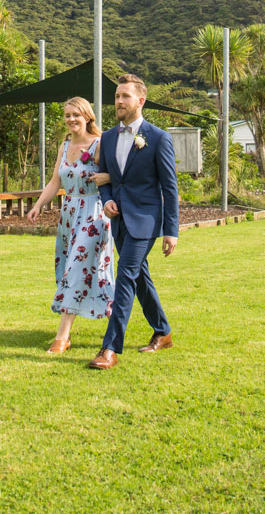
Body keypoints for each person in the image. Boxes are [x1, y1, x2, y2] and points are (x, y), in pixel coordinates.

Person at [88, 74, 178, 370]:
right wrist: (107, 198)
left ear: (141, 101)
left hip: (146, 220)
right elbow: (104, 176)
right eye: (116, 97)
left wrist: (171, 231)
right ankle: (162, 332)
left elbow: (169, 187)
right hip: (119, 218)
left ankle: (109, 348)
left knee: (125, 275)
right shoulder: (109, 137)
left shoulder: (159, 138)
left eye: (124, 96)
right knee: (140, 278)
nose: (118, 102)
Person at [27, 97, 115, 354]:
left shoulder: (100, 145)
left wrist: (107, 176)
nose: (71, 119)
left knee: (76, 268)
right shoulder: (64, 145)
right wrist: (38, 205)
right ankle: (116, 322)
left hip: (94, 214)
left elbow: (119, 176)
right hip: (69, 214)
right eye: (67, 115)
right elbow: (55, 182)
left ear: (87, 116)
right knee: (82, 269)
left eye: (76, 114)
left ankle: (62, 336)